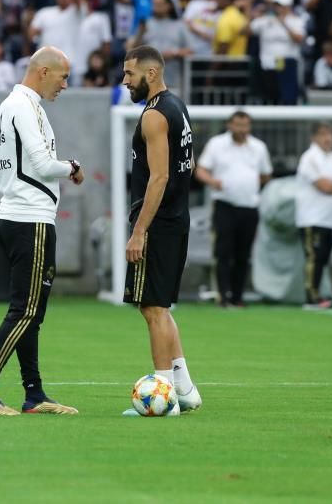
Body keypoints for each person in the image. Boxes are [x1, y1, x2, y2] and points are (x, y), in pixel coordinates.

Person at [0, 46, 84, 416]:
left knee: (32, 313)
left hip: (26, 217)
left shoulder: (21, 105)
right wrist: (72, 166)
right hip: (28, 218)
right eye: (63, 76)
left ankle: (34, 394)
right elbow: (43, 165)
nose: (65, 85)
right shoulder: (22, 106)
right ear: (43, 71)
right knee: (26, 310)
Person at [120, 45, 201, 416]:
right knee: (159, 307)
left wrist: (139, 231)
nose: (125, 81)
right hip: (176, 219)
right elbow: (189, 162)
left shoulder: (153, 115)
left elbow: (160, 177)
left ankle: (163, 396)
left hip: (157, 223)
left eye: (129, 73)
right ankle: (185, 388)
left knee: (152, 307)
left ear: (150, 74)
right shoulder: (177, 106)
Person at [195, 111, 272, 307]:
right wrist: (213, 181)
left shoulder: (258, 147)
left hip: (249, 206)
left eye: (245, 125)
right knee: (223, 252)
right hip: (224, 205)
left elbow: (265, 174)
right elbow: (201, 170)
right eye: (238, 125)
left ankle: (237, 297)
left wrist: (248, 185)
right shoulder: (217, 144)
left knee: (243, 254)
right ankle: (222, 296)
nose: (242, 129)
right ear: (230, 125)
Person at [295, 123, 332, 309]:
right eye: (323, 135)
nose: (328, 139)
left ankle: (319, 293)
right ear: (314, 138)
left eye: (330, 134)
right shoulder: (309, 158)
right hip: (311, 219)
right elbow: (325, 187)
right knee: (314, 257)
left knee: (324, 258)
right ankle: (311, 297)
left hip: (329, 220)